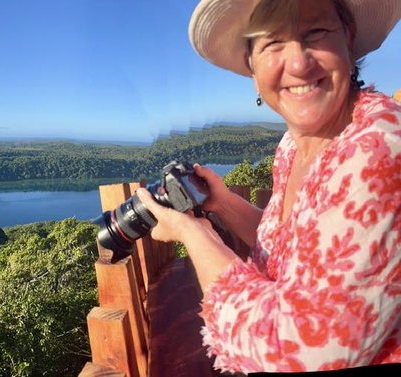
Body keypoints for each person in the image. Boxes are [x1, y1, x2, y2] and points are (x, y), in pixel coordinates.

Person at [136, 0, 401, 373]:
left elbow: (302, 350)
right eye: (272, 44)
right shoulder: (293, 144)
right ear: (252, 67)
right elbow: (292, 245)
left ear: (349, 39)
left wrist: (193, 233)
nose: (298, 63)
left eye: (316, 33)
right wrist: (223, 203)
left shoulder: (379, 146)